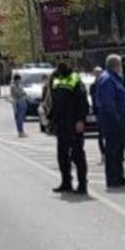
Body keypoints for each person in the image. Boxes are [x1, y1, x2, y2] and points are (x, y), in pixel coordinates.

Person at [48, 62, 89, 195]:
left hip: (73, 122)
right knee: (62, 156)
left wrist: (80, 120)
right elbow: (56, 102)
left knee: (77, 155)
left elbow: (83, 102)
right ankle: (66, 182)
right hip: (62, 123)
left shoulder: (75, 80)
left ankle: (82, 185)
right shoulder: (57, 80)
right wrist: (51, 118)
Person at [96, 54, 125, 188]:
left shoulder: (113, 78)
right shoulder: (108, 79)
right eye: (120, 66)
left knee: (119, 150)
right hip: (112, 121)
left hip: (119, 120)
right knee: (112, 150)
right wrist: (117, 119)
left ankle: (119, 176)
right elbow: (107, 103)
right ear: (116, 66)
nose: (121, 68)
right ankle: (112, 179)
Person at [90, 66, 105, 164]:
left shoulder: (105, 84)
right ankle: (103, 155)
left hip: (107, 112)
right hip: (99, 113)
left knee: (109, 135)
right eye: (96, 73)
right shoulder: (93, 86)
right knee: (100, 135)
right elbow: (93, 99)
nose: (98, 75)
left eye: (99, 73)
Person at [10, 74, 28, 138]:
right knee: (19, 119)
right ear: (16, 79)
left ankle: (22, 131)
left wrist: (23, 93)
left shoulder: (20, 85)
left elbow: (23, 92)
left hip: (22, 103)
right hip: (17, 103)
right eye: (19, 79)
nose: (19, 80)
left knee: (21, 118)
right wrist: (22, 93)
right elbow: (18, 93)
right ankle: (20, 132)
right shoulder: (13, 86)